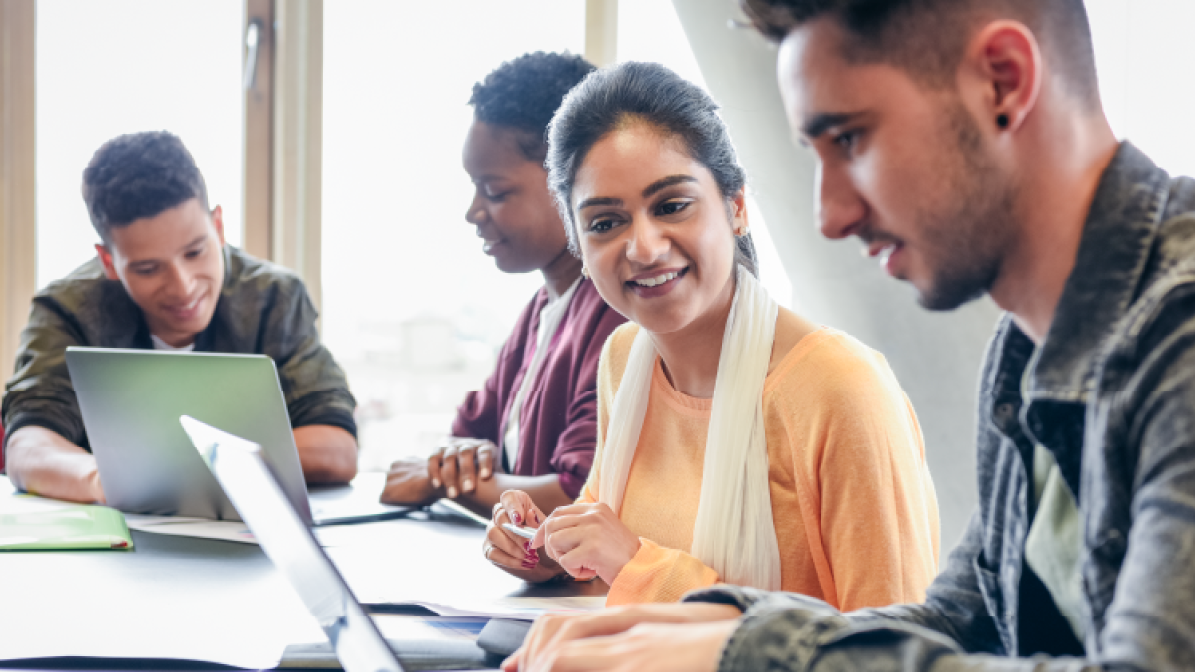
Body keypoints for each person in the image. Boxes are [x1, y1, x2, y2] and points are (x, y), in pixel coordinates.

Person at [502, 1, 1195, 670]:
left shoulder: (1178, 334)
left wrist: (745, 649)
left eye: (851, 140)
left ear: (1002, 82)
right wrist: (701, 622)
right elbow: (960, 622)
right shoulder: (1022, 352)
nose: (828, 215)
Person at [484, 61, 940, 609]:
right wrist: (542, 548)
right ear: (578, 246)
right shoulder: (625, 359)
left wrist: (639, 565)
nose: (645, 248)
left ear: (737, 207)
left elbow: (893, 650)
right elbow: (604, 558)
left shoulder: (839, 390)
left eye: (672, 205)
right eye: (606, 222)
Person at [3, 131, 358, 504]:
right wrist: (107, 483)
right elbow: (28, 445)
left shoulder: (274, 298)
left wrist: (170, 470)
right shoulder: (67, 309)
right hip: (119, 543)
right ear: (109, 262)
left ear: (218, 227)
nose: (183, 287)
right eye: (148, 268)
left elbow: (336, 448)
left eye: (195, 252)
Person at [379, 52, 626, 516]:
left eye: (494, 191)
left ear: (571, 181)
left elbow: (578, 495)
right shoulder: (539, 311)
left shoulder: (618, 316)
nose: (474, 211)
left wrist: (440, 480)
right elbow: (466, 438)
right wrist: (457, 466)